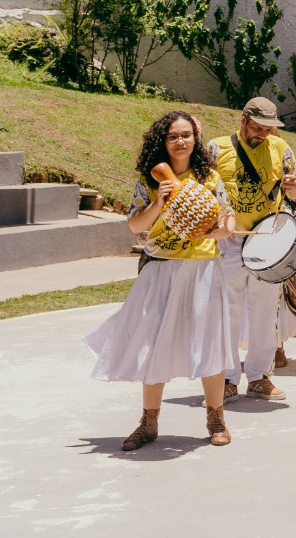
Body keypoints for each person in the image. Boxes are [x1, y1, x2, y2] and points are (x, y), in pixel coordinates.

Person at [86, 111, 239, 450]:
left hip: (202, 269)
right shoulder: (149, 179)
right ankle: (149, 420)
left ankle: (216, 417)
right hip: (160, 268)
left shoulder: (210, 178)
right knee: (151, 343)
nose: (181, 141)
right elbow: (135, 226)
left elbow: (229, 223)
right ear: (163, 141)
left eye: (186, 135)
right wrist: (159, 201)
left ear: (195, 139)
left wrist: (220, 229)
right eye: (173, 136)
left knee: (209, 343)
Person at [210, 97, 296, 403]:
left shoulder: (280, 148)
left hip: (267, 239)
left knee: (264, 312)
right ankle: (227, 378)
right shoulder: (216, 148)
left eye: (268, 129)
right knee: (228, 311)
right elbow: (200, 187)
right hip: (230, 241)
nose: (262, 135)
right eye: (257, 128)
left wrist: (295, 188)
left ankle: (260, 376)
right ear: (243, 121)